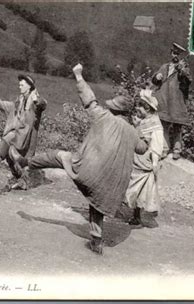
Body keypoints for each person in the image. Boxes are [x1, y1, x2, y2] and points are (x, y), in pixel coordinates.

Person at [15, 64, 148, 255]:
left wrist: (78, 75)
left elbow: (88, 98)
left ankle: (27, 163)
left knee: (59, 156)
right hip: (111, 185)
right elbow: (143, 149)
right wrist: (140, 127)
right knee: (96, 202)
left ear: (113, 109)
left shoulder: (102, 116)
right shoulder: (132, 132)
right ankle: (96, 238)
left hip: (89, 171)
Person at [0, 74, 47, 191]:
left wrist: (38, 101)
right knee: (9, 156)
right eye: (19, 85)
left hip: (26, 138)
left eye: (22, 85)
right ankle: (21, 180)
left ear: (29, 86)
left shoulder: (34, 101)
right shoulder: (20, 101)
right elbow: (8, 106)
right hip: (18, 136)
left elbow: (43, 104)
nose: (19, 87)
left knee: (8, 139)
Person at [125, 89, 167, 229]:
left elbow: (157, 144)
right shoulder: (146, 120)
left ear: (147, 108)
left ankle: (136, 216)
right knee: (137, 188)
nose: (138, 109)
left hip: (146, 160)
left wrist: (155, 162)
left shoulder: (154, 123)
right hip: (139, 157)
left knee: (141, 190)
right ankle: (135, 214)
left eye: (141, 106)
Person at [152, 42, 192, 160]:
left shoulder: (185, 67)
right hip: (164, 101)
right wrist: (157, 77)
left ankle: (177, 150)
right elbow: (155, 80)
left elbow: (188, 80)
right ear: (171, 53)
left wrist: (182, 71)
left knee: (177, 127)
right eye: (174, 53)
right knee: (163, 125)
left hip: (177, 102)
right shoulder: (165, 67)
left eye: (178, 54)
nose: (175, 55)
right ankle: (164, 149)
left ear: (181, 56)